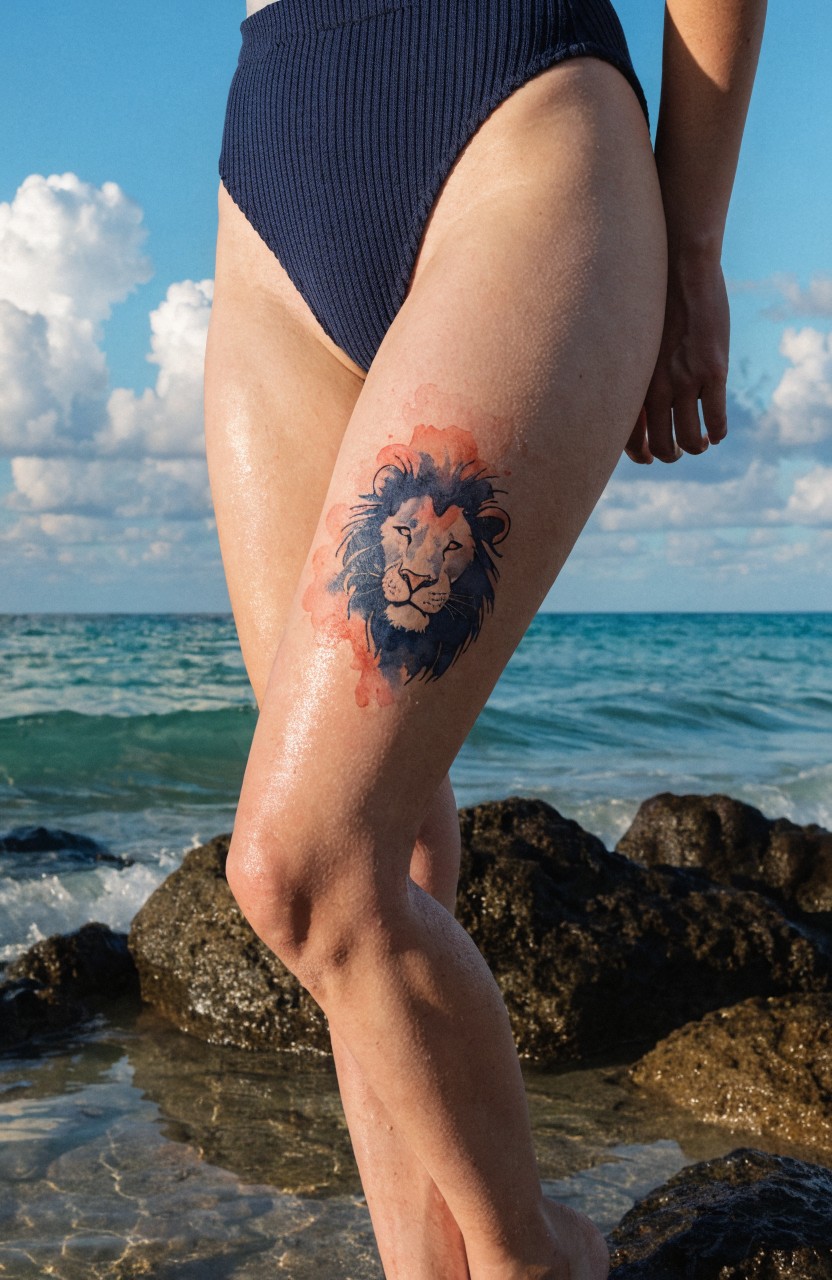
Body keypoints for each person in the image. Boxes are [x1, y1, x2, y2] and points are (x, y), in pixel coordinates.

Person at [204, 0, 767, 1274]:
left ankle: (538, 1258)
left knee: (299, 866)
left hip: (512, 117)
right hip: (272, 178)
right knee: (389, 846)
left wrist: (690, 241)